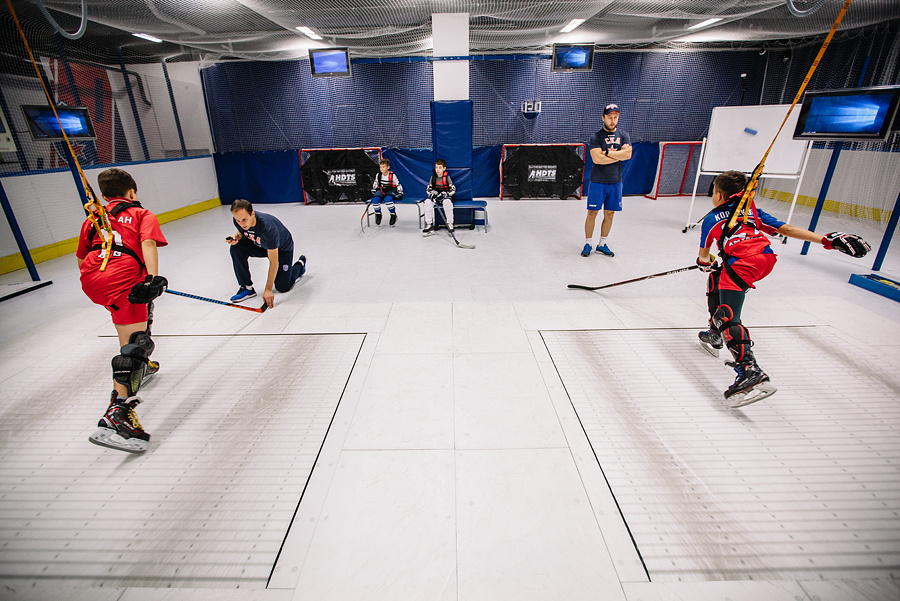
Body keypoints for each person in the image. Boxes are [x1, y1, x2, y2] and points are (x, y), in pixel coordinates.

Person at [697, 170, 870, 408]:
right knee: (717, 278)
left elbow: (704, 257)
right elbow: (785, 229)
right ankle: (714, 333)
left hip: (743, 264)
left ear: (717, 195)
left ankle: (749, 371)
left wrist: (705, 264)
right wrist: (826, 241)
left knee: (728, 316)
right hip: (765, 258)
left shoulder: (711, 218)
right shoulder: (752, 211)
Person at [76, 168, 169, 452]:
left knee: (131, 326)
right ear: (133, 192)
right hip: (124, 277)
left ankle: (143, 367)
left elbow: (81, 257)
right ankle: (116, 413)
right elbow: (148, 243)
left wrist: (102, 285)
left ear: (104, 196)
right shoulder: (142, 214)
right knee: (136, 344)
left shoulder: (94, 218)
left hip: (93, 278)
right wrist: (152, 279)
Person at [227, 199, 306, 308]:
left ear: (252, 213)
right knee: (236, 248)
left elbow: (274, 262)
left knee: (283, 286)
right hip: (261, 244)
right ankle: (247, 287)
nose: (241, 223)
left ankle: (300, 266)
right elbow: (243, 232)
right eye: (238, 220)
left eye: (244, 220)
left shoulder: (268, 228)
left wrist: (268, 290)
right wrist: (237, 237)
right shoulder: (238, 220)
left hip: (282, 249)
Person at [583, 103, 632, 257]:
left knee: (609, 214)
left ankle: (602, 244)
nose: (612, 120)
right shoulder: (596, 137)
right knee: (592, 213)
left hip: (615, 182)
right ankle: (588, 243)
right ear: (603, 118)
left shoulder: (623, 135)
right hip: (598, 181)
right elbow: (597, 159)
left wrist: (607, 153)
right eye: (609, 117)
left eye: (615, 117)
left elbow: (628, 155)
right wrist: (618, 155)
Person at [422, 158, 456, 236]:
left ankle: (450, 224)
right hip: (436, 197)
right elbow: (429, 188)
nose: (437, 169)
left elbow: (453, 189)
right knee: (427, 202)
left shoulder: (447, 177)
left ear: (444, 168)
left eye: (440, 168)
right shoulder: (433, 177)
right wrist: (431, 193)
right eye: (436, 167)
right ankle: (429, 224)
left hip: (445, 197)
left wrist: (446, 194)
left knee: (447, 202)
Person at [371, 158, 404, 226]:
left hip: (390, 191)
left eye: (383, 167)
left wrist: (400, 192)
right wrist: (374, 190)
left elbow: (398, 184)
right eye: (380, 167)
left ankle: (393, 215)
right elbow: (375, 184)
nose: (381, 168)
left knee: (388, 200)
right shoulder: (378, 175)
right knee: (375, 200)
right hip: (381, 191)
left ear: (388, 167)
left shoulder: (392, 176)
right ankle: (378, 214)